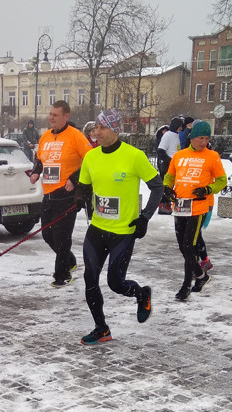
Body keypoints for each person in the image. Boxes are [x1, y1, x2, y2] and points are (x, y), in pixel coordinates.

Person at [74, 108, 164, 344]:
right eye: (96, 127)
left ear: (115, 129)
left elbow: (157, 187)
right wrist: (79, 199)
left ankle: (141, 294)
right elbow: (84, 186)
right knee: (90, 279)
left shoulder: (134, 156)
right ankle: (101, 328)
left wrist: (144, 217)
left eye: (102, 127)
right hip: (97, 229)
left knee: (115, 283)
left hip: (123, 232)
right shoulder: (91, 157)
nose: (96, 132)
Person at [29, 100, 92, 287]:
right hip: (48, 194)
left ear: (66, 116)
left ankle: (62, 275)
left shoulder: (75, 136)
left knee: (62, 237)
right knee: (47, 235)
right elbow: (40, 159)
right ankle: (69, 260)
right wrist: (36, 171)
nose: (51, 118)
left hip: (66, 194)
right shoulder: (46, 136)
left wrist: (74, 178)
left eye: (55, 115)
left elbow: (90, 160)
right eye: (50, 114)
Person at [164, 120, 226, 301]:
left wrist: (208, 189)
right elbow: (170, 176)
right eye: (201, 138)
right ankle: (201, 275)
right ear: (192, 137)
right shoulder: (179, 156)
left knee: (189, 246)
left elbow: (222, 181)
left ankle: (186, 286)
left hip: (198, 206)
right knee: (182, 247)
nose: (204, 142)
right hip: (180, 206)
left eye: (207, 138)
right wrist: (167, 188)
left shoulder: (212, 156)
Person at [156, 116, 183, 215]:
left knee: (172, 185)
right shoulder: (168, 135)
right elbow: (160, 150)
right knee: (166, 185)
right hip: (168, 164)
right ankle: (163, 206)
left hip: (175, 164)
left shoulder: (176, 135)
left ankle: (168, 204)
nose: (181, 128)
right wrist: (169, 161)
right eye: (180, 126)